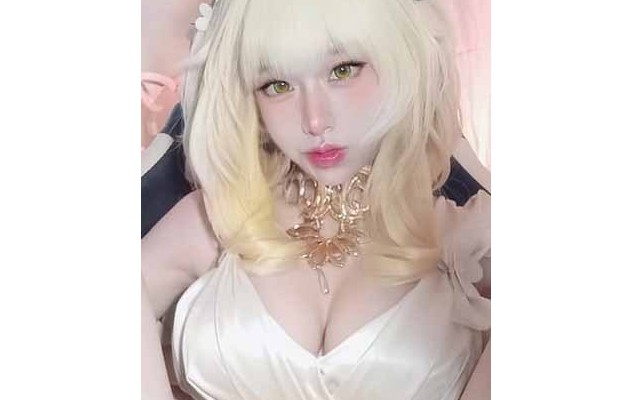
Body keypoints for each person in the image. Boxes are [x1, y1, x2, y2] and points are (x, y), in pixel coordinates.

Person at [141, 0, 491, 399]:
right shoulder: (211, 221)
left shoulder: (468, 236)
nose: (315, 121)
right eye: (278, 85)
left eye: (342, 70)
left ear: (400, 61)